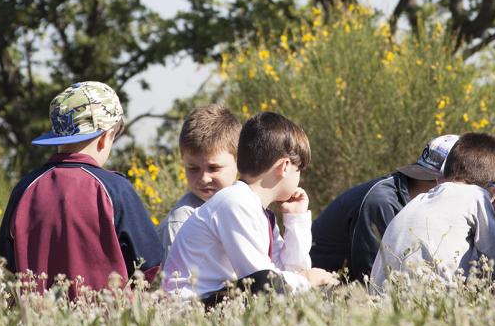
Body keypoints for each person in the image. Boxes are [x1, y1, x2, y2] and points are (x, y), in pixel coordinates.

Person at [0, 81, 163, 297]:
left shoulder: (24, 188)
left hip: (36, 324)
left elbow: (9, 262)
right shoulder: (115, 189)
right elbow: (149, 262)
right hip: (107, 323)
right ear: (105, 138)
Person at [162, 111, 339, 304]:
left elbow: (290, 272)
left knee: (311, 293)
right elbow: (263, 282)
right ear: (285, 166)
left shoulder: (257, 210)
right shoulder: (234, 202)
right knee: (302, 292)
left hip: (214, 302)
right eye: (299, 170)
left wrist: (296, 220)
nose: (299, 178)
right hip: (190, 312)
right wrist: (307, 281)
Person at [370, 132, 495, 292]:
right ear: (493, 188)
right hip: (425, 302)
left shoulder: (417, 201)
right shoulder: (477, 196)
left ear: (442, 177)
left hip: (380, 300)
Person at [310, 134, 458, 282]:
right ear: (442, 181)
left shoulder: (417, 202)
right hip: (320, 292)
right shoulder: (381, 203)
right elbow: (373, 282)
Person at [158, 104, 241, 260]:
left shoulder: (248, 204)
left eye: (214, 168)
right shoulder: (181, 222)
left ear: (239, 161)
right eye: (193, 168)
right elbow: (175, 282)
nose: (204, 178)